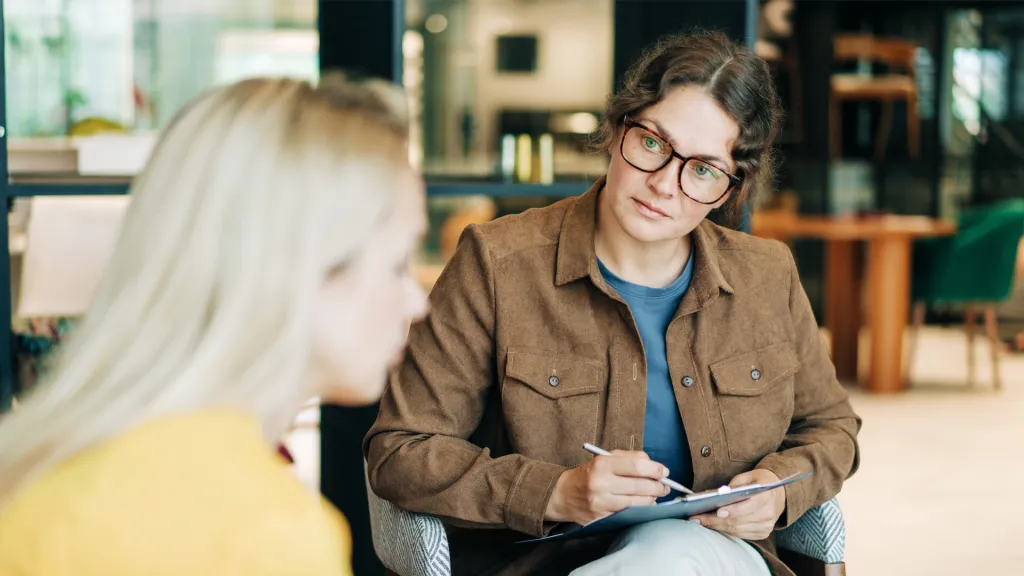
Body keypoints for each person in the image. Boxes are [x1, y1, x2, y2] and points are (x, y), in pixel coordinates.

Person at [366, 30, 861, 576]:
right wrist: (554, 492)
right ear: (617, 128)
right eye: (653, 143)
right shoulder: (497, 264)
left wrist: (777, 490)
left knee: (670, 555)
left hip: (716, 559)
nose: (664, 185)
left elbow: (833, 428)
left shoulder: (768, 275)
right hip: (542, 562)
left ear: (730, 188)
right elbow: (400, 451)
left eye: (702, 169)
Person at [0, 75, 428, 575]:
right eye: (397, 264)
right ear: (292, 268)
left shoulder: (46, 457)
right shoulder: (265, 534)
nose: (416, 303)